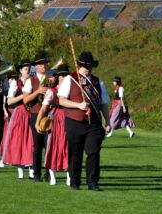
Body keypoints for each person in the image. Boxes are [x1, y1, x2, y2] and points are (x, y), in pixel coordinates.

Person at [58, 52, 110, 191]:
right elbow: (62, 100)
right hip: (74, 122)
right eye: (86, 66)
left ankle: (93, 182)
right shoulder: (70, 79)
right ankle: (74, 181)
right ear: (80, 65)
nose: (88, 68)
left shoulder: (98, 82)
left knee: (93, 152)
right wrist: (78, 105)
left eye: (90, 66)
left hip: (93, 123)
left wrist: (108, 121)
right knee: (75, 153)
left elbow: (103, 104)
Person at [36, 65, 70, 186]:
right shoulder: (52, 91)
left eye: (66, 75)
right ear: (58, 77)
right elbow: (44, 108)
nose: (65, 78)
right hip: (55, 120)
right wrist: (37, 123)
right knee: (52, 147)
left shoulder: (71, 90)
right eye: (62, 76)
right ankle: (52, 176)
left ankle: (69, 177)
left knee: (67, 147)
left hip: (68, 119)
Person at [1, 59, 33, 179]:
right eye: (25, 69)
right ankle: (20, 171)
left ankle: (31, 170)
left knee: (31, 142)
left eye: (29, 69)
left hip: (30, 113)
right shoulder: (15, 83)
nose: (28, 71)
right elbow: (9, 101)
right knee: (19, 141)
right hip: (19, 113)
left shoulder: (33, 81)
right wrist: (23, 95)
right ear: (20, 70)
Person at [23, 52, 50, 182]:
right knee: (38, 146)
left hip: (50, 114)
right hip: (35, 114)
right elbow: (25, 100)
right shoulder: (31, 80)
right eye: (41, 64)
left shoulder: (51, 79)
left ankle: (49, 172)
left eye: (45, 63)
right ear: (37, 66)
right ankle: (37, 173)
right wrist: (38, 92)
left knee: (49, 145)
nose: (44, 66)